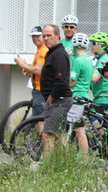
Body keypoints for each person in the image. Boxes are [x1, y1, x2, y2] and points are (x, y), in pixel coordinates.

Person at [40, 24, 73, 152]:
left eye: (49, 35)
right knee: (59, 135)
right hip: (56, 100)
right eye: (44, 36)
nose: (46, 38)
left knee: (47, 134)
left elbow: (62, 82)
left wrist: (51, 99)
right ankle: (63, 165)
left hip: (60, 100)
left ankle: (48, 168)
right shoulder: (51, 53)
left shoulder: (59, 54)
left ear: (57, 36)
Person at [14, 25, 48, 132]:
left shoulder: (43, 50)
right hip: (37, 89)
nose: (35, 39)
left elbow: (38, 70)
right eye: (33, 36)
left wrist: (23, 65)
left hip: (41, 90)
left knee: (40, 120)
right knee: (37, 118)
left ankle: (42, 146)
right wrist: (28, 69)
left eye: (38, 36)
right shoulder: (39, 50)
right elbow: (38, 69)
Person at [69, 33, 93, 155]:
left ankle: (83, 160)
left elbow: (72, 82)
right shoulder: (89, 59)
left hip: (76, 98)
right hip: (85, 96)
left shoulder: (78, 61)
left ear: (73, 45)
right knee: (80, 130)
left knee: (79, 131)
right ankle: (83, 159)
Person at [89, 32, 108, 114]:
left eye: (94, 43)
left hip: (103, 99)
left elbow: (94, 78)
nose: (91, 46)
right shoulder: (102, 58)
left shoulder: (103, 59)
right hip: (100, 98)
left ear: (102, 45)